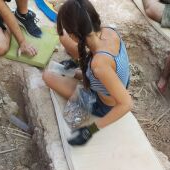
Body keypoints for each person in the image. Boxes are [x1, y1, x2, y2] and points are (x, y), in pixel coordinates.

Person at [42, 0, 132, 146]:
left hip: (102, 104)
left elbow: (127, 104)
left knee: (47, 76)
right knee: (63, 38)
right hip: (112, 82)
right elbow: (104, 66)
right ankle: (76, 70)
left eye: (71, 34)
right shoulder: (109, 31)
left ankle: (76, 72)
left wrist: (89, 131)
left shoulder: (99, 65)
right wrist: (79, 69)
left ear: (75, 36)